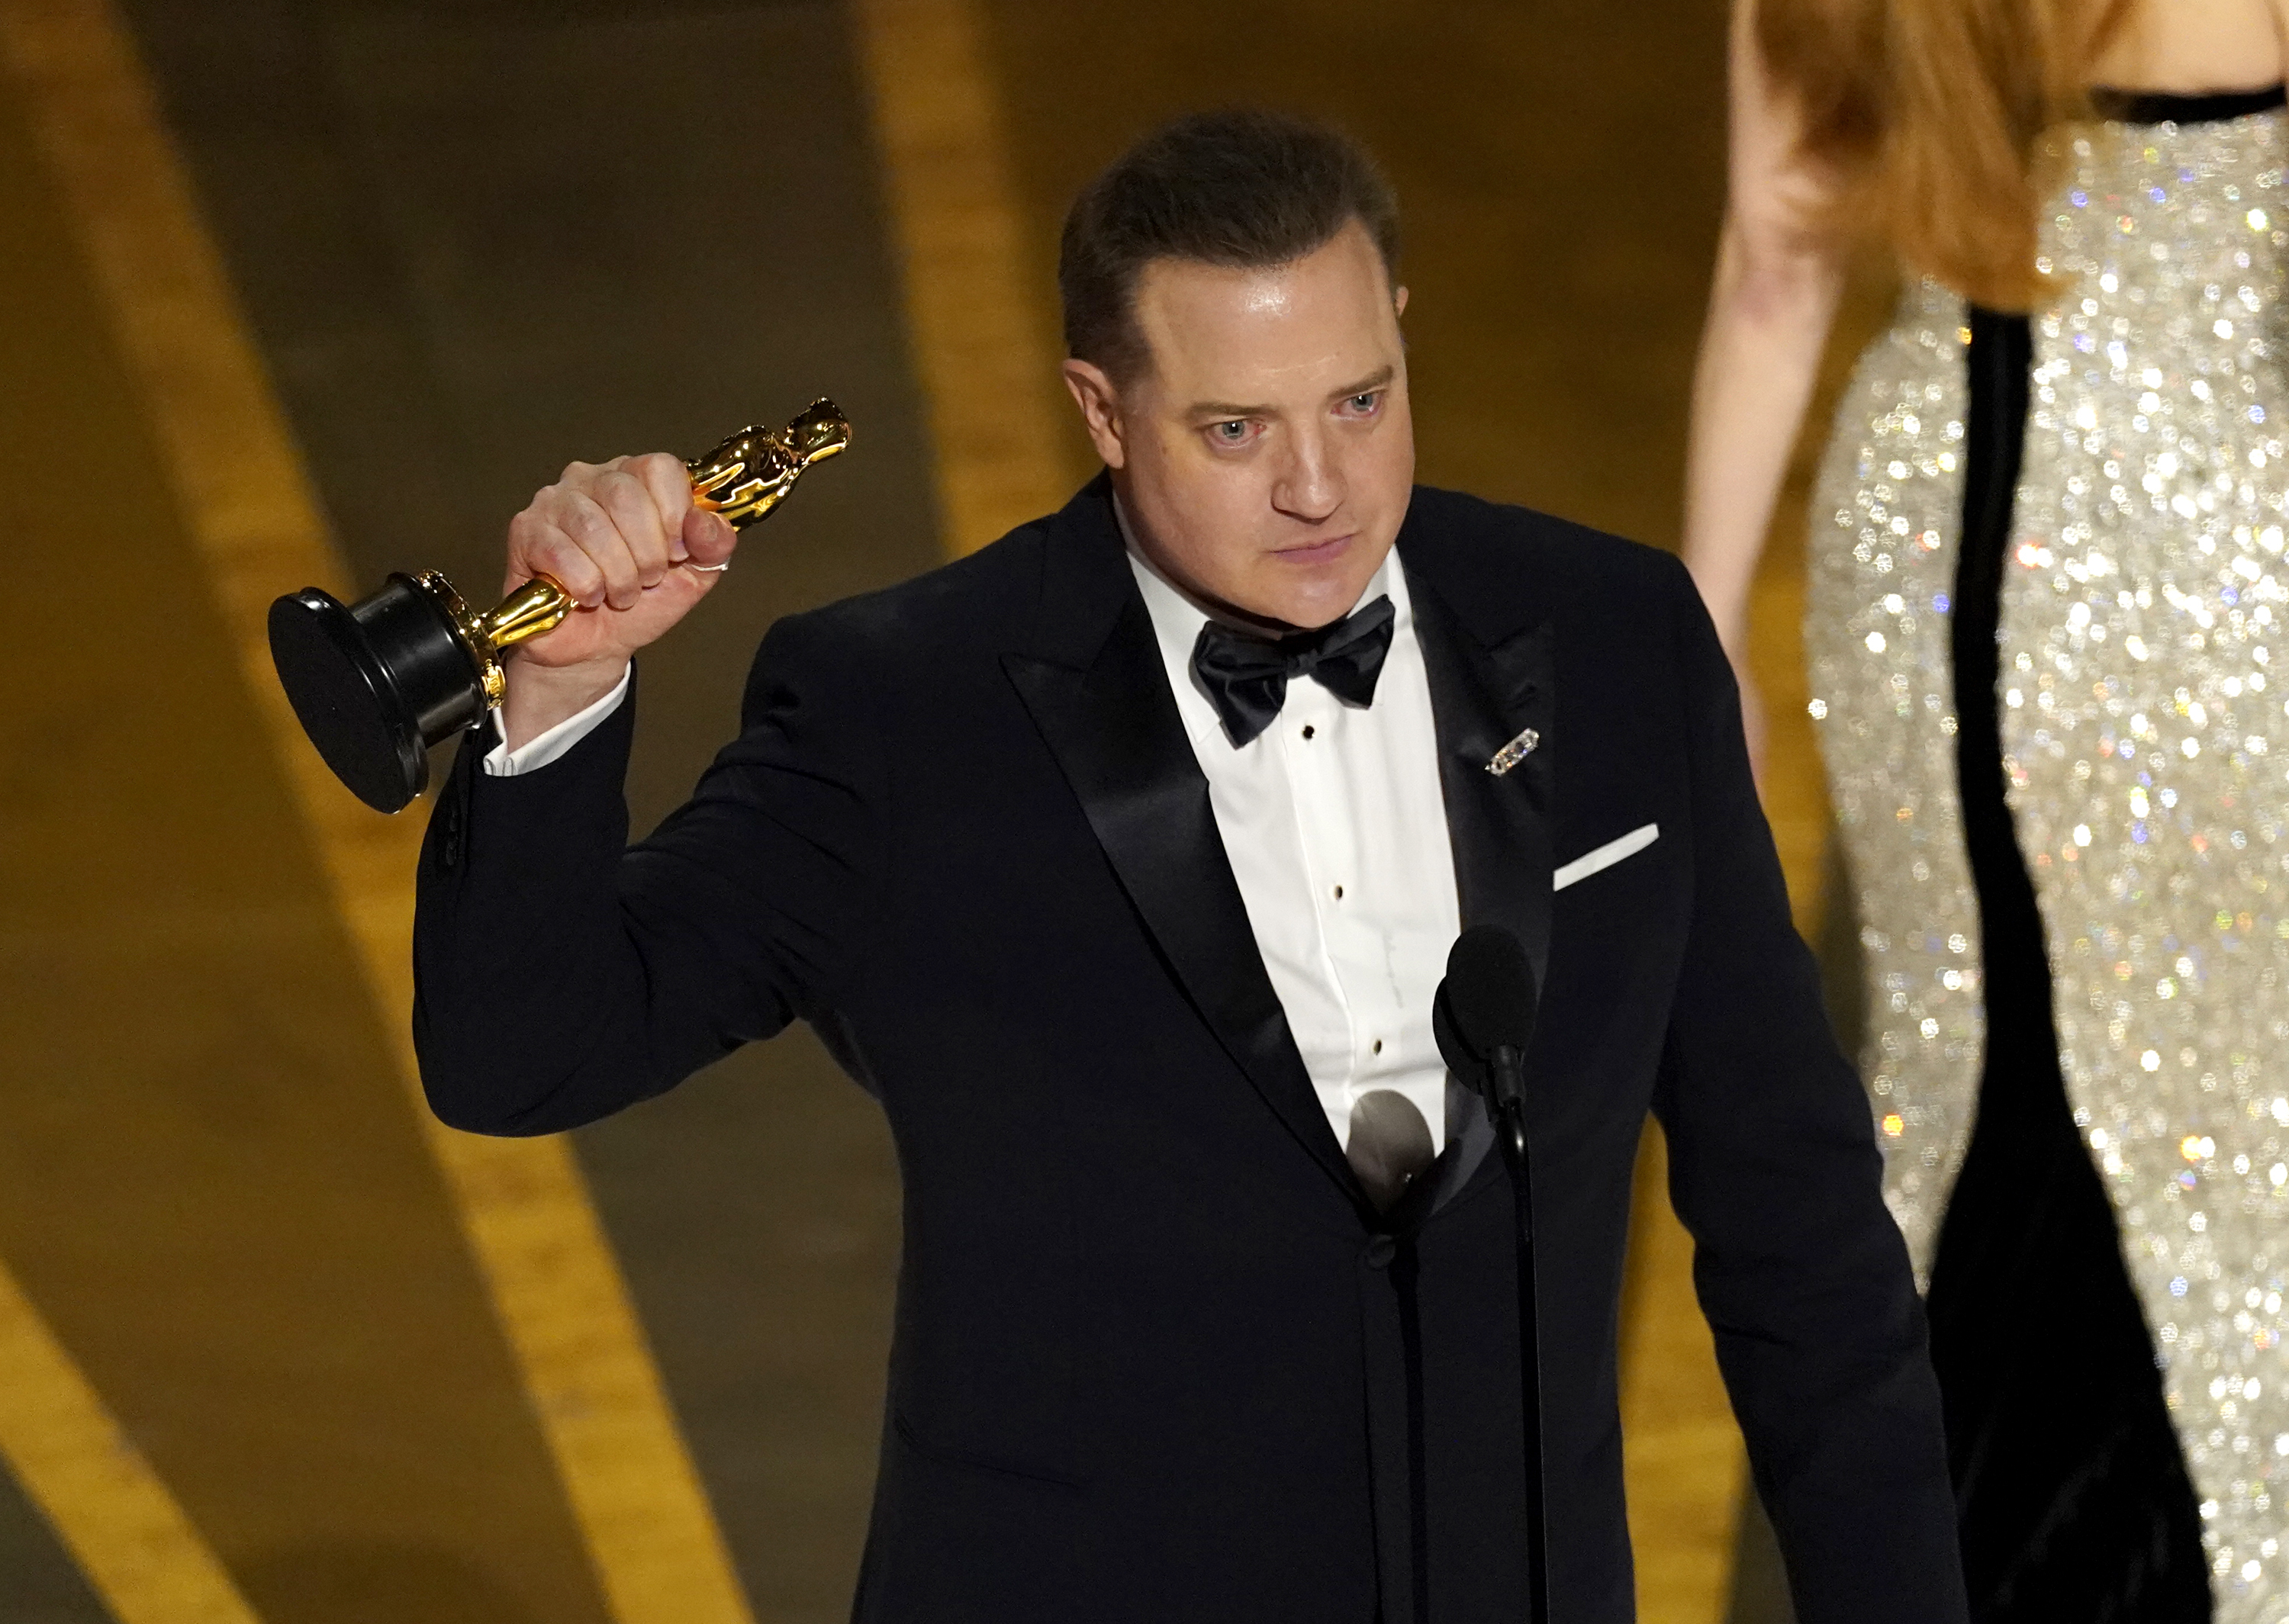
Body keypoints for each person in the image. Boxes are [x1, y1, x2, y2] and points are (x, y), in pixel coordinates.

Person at [414, 109, 1962, 1621]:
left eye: (1361, 400)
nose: (1320, 488)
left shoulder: (1619, 643)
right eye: (1236, 428)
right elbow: (524, 1054)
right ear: (1102, 410)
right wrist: (562, 695)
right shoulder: (907, 713)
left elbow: (1802, 1233)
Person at [1682, 0, 2289, 1616]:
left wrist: (1705, 634)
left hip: (1939, 553)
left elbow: (1773, 257)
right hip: (2243, 538)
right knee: (2239, 1148)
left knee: (1955, 1097)